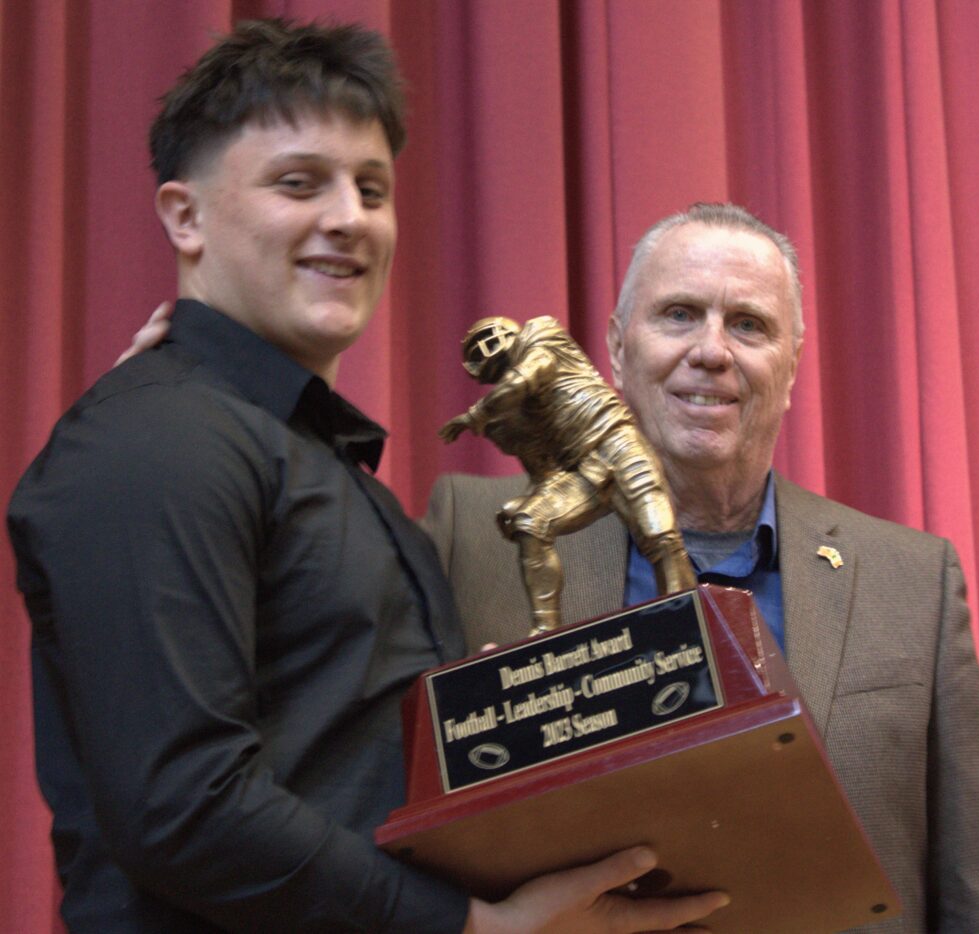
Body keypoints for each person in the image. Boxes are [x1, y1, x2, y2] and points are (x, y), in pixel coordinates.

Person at [6, 22, 730, 933]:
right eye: (298, 182)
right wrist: (465, 927)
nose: (350, 217)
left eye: (372, 188)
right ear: (184, 217)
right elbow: (184, 809)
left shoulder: (326, 471)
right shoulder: (152, 439)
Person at [425, 203, 979, 931]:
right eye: (678, 314)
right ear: (616, 348)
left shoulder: (911, 581)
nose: (711, 350)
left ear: (793, 364)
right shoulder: (476, 540)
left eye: (748, 325)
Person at [438, 315, 693, 634]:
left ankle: (685, 616)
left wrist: (475, 415)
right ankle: (545, 635)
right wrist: (527, 501)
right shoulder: (507, 417)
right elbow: (543, 470)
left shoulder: (541, 335)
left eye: (489, 340)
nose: (488, 349)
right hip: (581, 473)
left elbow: (528, 375)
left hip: (614, 440)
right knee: (532, 521)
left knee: (658, 531)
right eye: (479, 350)